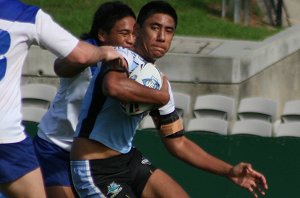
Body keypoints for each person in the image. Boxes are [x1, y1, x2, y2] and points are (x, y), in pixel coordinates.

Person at [69, 1, 268, 198]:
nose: (161, 37)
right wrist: (160, 97)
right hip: (95, 168)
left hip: (128, 159)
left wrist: (229, 171)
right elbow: (113, 86)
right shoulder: (119, 56)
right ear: (137, 29)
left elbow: (178, 143)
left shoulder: (158, 81)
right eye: (154, 27)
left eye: (169, 30)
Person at [0, 0, 124, 197]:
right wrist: (104, 52)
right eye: (125, 33)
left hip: (88, 155)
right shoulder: (26, 15)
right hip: (13, 139)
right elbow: (77, 57)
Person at [31, 1, 138, 198]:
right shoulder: (87, 50)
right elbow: (61, 67)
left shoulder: (133, 63)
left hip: (93, 158)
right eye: (124, 33)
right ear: (103, 35)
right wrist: (98, 55)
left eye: (134, 33)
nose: (131, 40)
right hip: (56, 150)